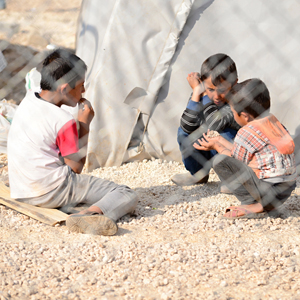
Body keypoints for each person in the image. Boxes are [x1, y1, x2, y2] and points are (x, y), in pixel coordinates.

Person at [7, 49, 138, 235]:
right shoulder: (63, 120)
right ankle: (88, 215)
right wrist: (85, 124)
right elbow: (76, 168)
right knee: (125, 193)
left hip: (21, 187)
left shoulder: (30, 97)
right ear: (65, 88)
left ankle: (78, 206)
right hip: (50, 190)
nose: (84, 91)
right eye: (81, 85)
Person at [194, 78, 297, 219]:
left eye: (232, 111)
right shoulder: (274, 122)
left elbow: (234, 158)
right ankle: (262, 205)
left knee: (219, 161)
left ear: (244, 116)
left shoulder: (247, 131)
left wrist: (216, 146)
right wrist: (219, 139)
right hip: (287, 188)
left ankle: (251, 203)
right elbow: (241, 152)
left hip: (267, 190)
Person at [171, 53, 240, 187]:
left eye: (222, 90)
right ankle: (198, 174)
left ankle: (233, 179)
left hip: (230, 151)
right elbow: (185, 127)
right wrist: (197, 92)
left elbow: (216, 124)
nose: (217, 96)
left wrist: (204, 94)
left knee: (223, 132)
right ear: (203, 83)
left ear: (234, 83)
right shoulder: (201, 94)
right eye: (210, 89)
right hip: (206, 147)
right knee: (183, 133)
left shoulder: (237, 99)